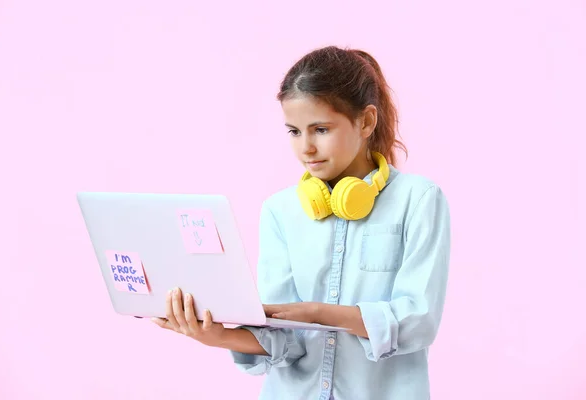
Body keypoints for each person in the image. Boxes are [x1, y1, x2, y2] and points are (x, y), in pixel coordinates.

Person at [151, 45, 451, 400]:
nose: (305, 147)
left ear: (366, 121)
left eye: (320, 129)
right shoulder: (280, 210)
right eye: (294, 131)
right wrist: (214, 335)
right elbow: (283, 335)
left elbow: (417, 320)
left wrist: (317, 313)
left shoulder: (418, 200)